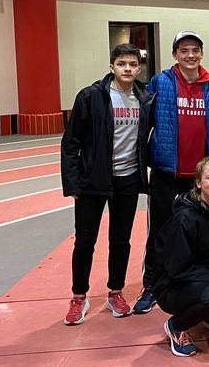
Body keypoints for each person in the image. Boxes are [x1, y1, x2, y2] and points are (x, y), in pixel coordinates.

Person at [61, 43, 153, 325]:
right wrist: (73, 183)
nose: (127, 69)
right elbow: (71, 143)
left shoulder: (144, 97)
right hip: (93, 180)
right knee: (85, 240)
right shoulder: (91, 96)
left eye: (132, 65)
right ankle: (79, 296)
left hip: (127, 179)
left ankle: (116, 291)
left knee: (121, 240)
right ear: (112, 66)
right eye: (122, 63)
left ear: (138, 68)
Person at [133, 31, 209, 315]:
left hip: (200, 178)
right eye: (184, 50)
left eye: (195, 50)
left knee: (198, 234)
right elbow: (144, 121)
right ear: (175, 55)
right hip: (166, 172)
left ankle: (191, 280)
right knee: (160, 232)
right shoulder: (161, 82)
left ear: (202, 53)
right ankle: (152, 286)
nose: (190, 55)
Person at [155, 157, 209, 357]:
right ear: (198, 182)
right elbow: (176, 269)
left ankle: (206, 313)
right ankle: (176, 325)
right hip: (173, 285)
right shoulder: (185, 218)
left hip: (203, 277)